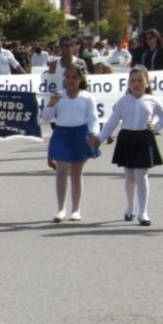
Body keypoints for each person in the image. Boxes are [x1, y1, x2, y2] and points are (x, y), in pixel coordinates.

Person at [90, 65, 163, 226]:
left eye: (140, 80)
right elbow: (112, 122)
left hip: (144, 138)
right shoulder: (123, 101)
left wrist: (155, 128)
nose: (136, 84)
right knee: (129, 176)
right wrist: (100, 137)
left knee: (142, 175)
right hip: (127, 138)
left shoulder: (152, 100)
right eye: (133, 80)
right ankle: (130, 207)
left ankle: (143, 212)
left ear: (147, 83)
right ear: (128, 83)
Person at [41, 65, 100, 223]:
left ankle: (75, 210)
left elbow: (93, 118)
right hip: (62, 133)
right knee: (61, 172)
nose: (71, 80)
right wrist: (51, 103)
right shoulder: (59, 96)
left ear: (80, 79)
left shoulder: (87, 97)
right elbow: (46, 117)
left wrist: (94, 133)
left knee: (76, 173)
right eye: (68, 77)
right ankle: (61, 209)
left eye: (74, 77)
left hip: (80, 134)